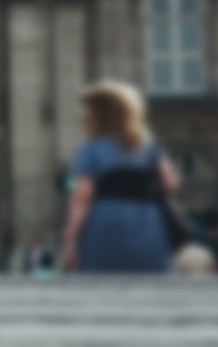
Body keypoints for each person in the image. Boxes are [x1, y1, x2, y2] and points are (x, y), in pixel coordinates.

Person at [62, 81, 180, 273]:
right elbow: (171, 184)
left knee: (102, 288)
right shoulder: (150, 148)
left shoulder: (91, 150)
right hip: (148, 222)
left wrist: (70, 239)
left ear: (102, 114)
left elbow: (82, 197)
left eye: (88, 110)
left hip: (105, 222)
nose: (83, 116)